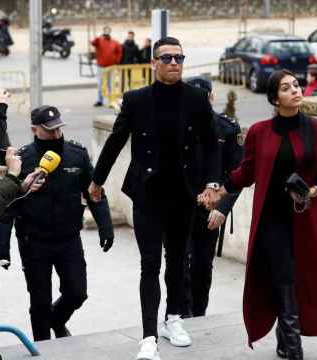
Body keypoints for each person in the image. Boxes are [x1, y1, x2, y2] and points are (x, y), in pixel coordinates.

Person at [88, 37, 222, 360]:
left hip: (184, 194)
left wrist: (214, 183)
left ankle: (173, 318)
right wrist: (97, 180)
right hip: (147, 194)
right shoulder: (136, 100)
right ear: (153, 63)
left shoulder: (196, 99)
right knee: (150, 263)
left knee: (177, 261)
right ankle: (149, 337)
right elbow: (116, 141)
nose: (174, 63)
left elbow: (211, 143)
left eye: (179, 58)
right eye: (167, 58)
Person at [217, 69, 317, 359]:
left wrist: (314, 189)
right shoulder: (259, 132)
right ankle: (295, 350)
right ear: (275, 98)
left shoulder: (316, 129)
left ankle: (285, 339)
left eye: (297, 85)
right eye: (287, 88)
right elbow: (246, 171)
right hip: (271, 220)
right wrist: (220, 190)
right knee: (284, 278)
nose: (296, 90)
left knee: (301, 279)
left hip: (305, 218)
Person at [0, 105, 114, 342]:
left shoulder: (77, 155)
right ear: (34, 130)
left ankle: (57, 320)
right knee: (39, 301)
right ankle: (42, 348)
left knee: (77, 292)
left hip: (68, 238)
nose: (56, 134)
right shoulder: (22, 160)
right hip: (33, 241)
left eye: (59, 128)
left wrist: (106, 226)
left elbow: (94, 192)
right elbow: (7, 206)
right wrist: (1, 249)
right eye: (50, 130)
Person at [181, 77, 243, 318]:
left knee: (202, 266)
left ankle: (198, 315)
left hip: (211, 210)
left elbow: (238, 175)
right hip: (180, 207)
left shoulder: (226, 129)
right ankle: (179, 313)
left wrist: (222, 207)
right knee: (179, 264)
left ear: (211, 98)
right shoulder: (176, 127)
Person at [91, 26, 122, 107]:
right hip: (101, 66)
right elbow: (93, 43)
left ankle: (111, 99)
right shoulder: (99, 40)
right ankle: (100, 100)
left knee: (110, 84)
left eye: (108, 31)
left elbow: (119, 51)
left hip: (111, 66)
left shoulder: (114, 42)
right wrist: (98, 37)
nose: (107, 32)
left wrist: (117, 61)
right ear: (103, 31)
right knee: (100, 83)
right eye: (105, 31)